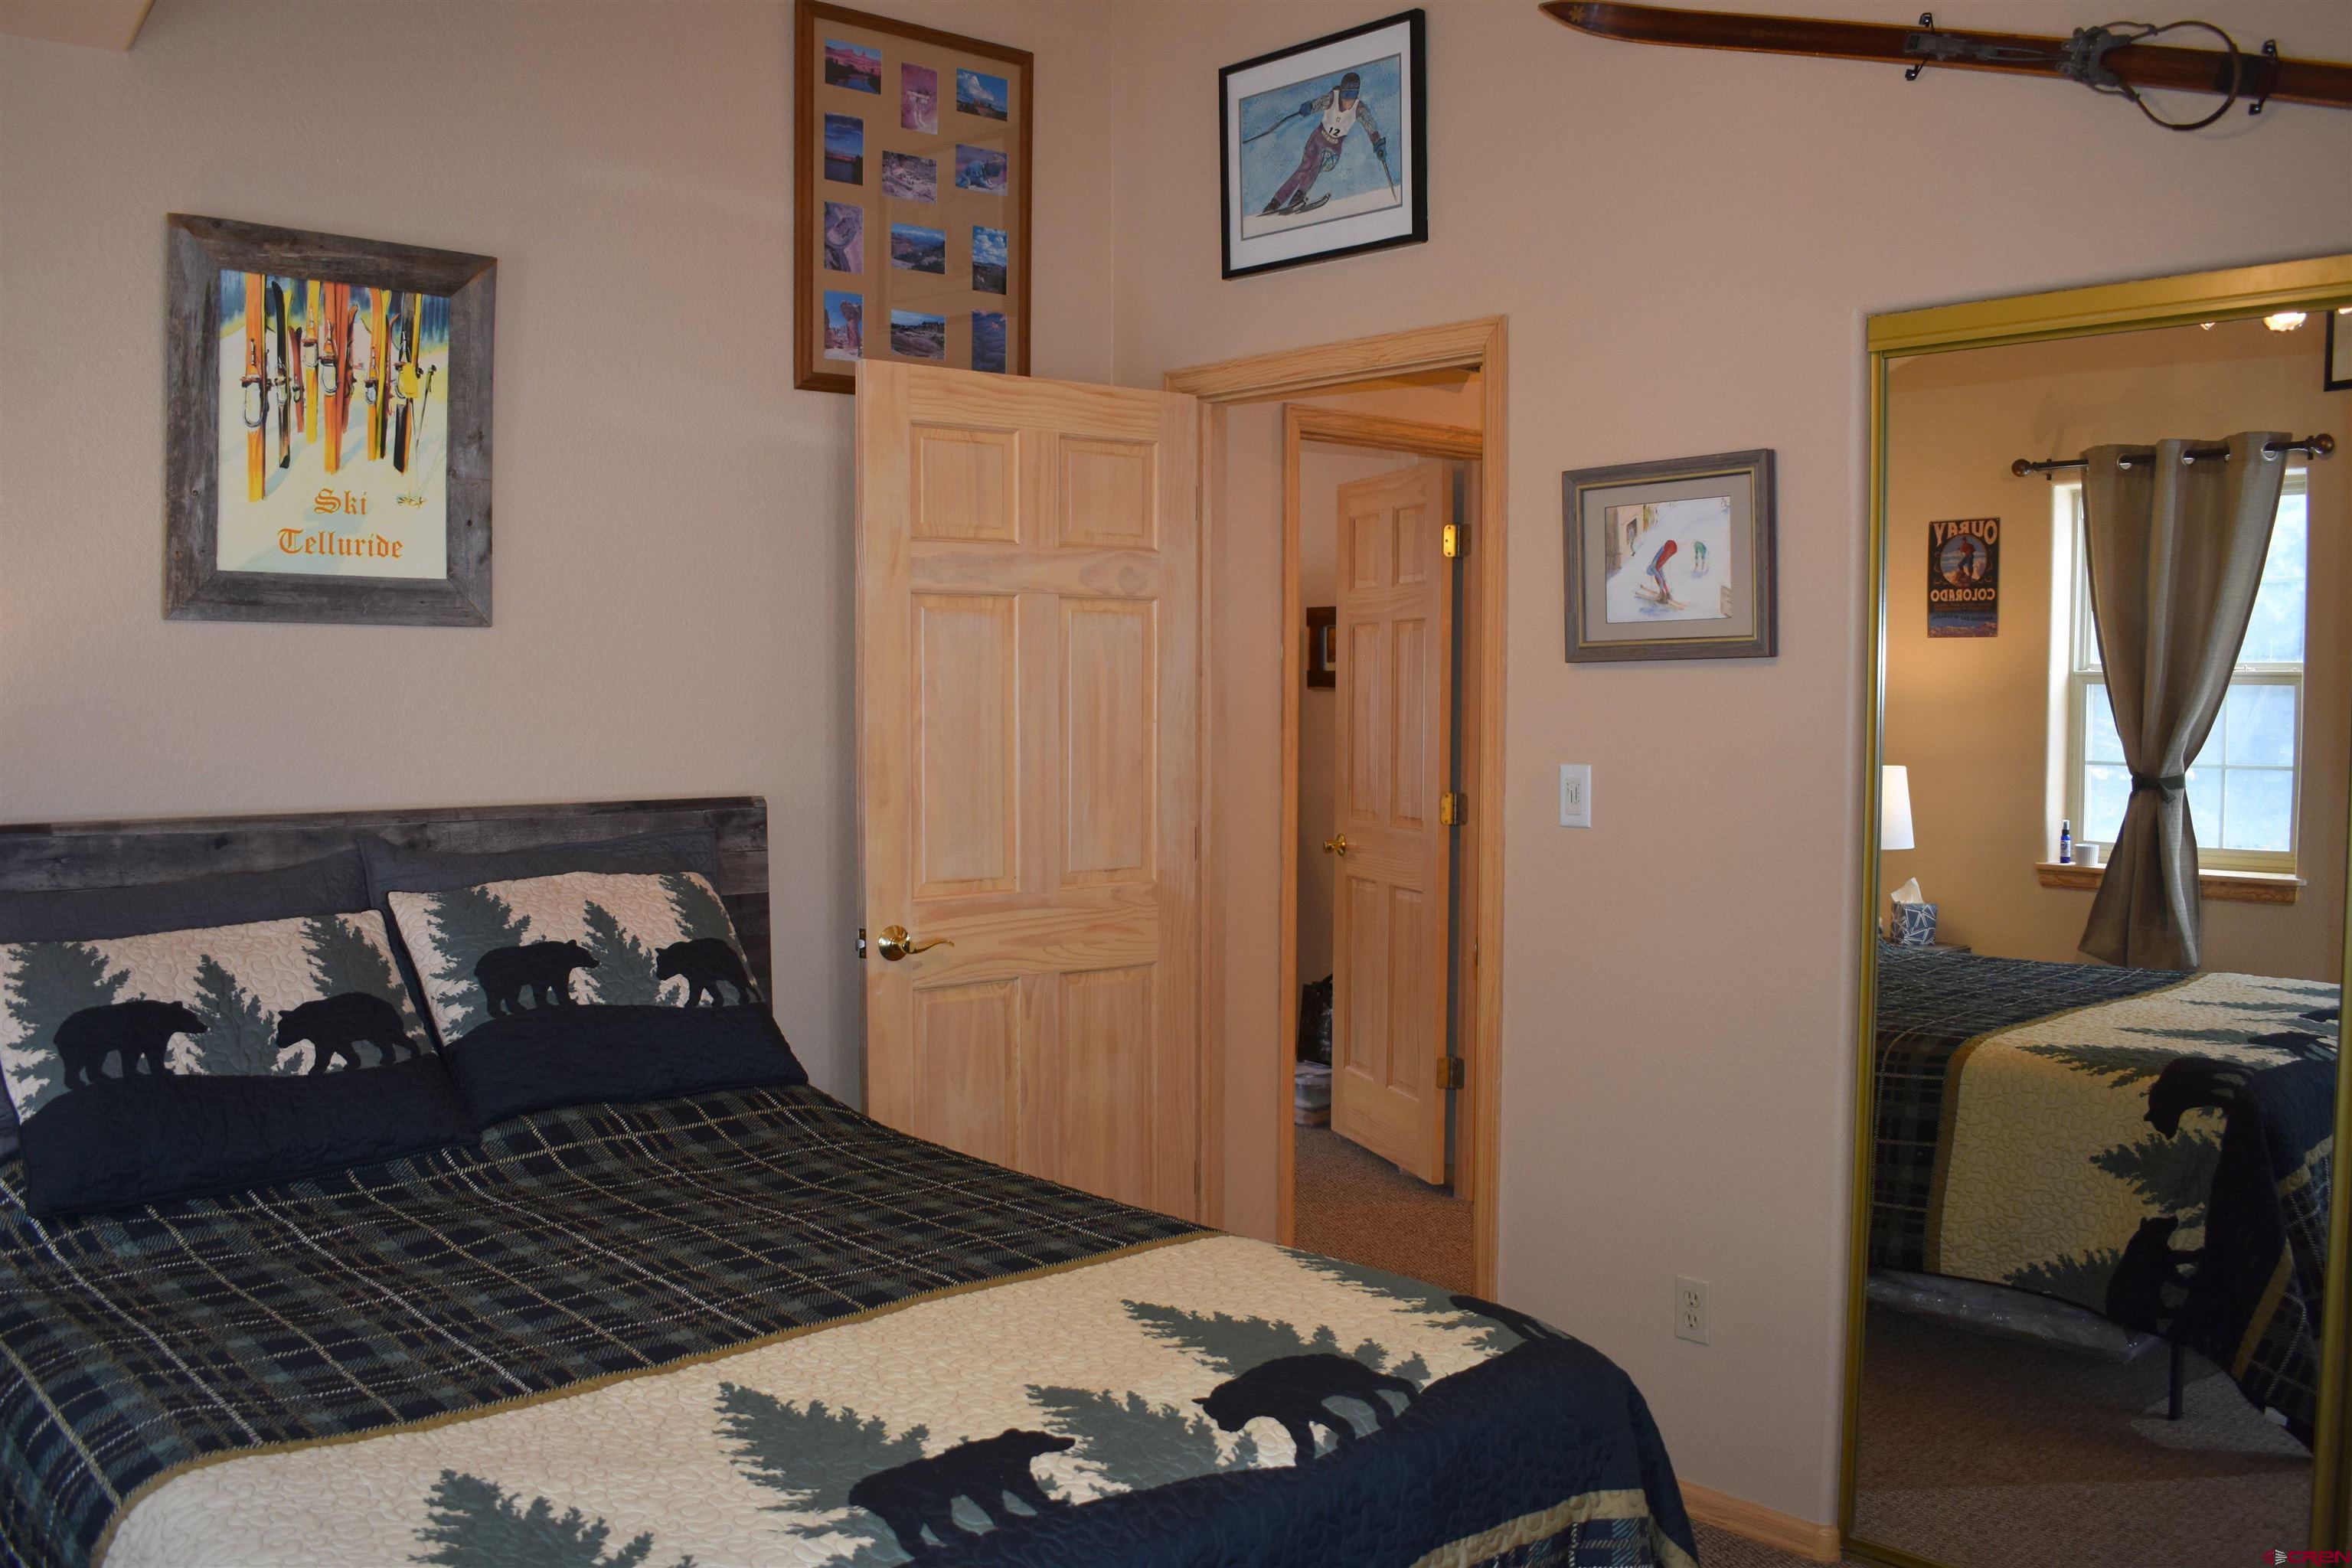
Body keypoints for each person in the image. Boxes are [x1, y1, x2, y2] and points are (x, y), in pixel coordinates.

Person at [1260, 71, 1387, 217]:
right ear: (1342, 91)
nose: (1349, 101)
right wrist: (1309, 107)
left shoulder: (1359, 109)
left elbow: (1370, 125)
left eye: (1353, 95)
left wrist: (1377, 142)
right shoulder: (1333, 97)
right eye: (1346, 95)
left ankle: (1298, 196)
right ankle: (1276, 202)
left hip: (1333, 148)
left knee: (1316, 165)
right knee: (1304, 167)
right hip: (1317, 139)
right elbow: (1317, 103)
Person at [1645, 537, 1679, 603]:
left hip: (1665, 550)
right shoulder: (1657, 566)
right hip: (1667, 548)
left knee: (1659, 578)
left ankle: (1663, 596)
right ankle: (1668, 594)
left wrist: (1661, 591)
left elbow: (1660, 580)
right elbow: (1662, 576)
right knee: (1661, 578)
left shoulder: (1653, 569)